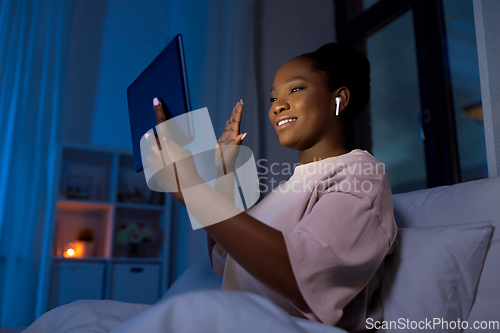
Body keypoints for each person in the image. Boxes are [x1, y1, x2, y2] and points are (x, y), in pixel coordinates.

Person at [149, 42, 397, 332]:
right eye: (273, 97)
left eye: (296, 89)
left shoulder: (361, 173)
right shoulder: (286, 191)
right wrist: (221, 176)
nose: (278, 105)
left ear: (338, 100)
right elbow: (226, 259)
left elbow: (306, 274)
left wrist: (191, 188)